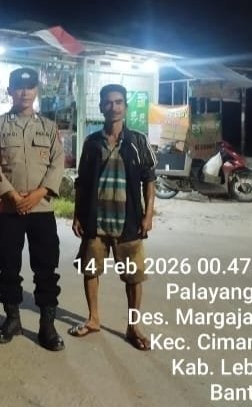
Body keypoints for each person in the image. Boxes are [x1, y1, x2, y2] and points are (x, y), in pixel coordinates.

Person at [0, 67, 66, 351]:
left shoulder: (49, 128)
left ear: (36, 91)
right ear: (10, 91)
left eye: (30, 87)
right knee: (8, 266)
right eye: (19, 87)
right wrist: (11, 195)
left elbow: (57, 163)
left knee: (46, 269)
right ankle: (12, 320)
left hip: (41, 210)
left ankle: (47, 326)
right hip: (9, 211)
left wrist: (39, 193)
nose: (25, 92)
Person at [70, 83, 156, 351]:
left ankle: (133, 326)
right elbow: (82, 183)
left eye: (118, 102)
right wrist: (77, 215)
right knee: (90, 270)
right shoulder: (91, 142)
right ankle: (94, 319)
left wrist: (148, 215)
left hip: (128, 222)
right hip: (95, 221)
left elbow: (149, 180)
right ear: (100, 107)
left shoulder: (138, 141)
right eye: (108, 102)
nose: (113, 107)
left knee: (134, 277)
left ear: (125, 107)